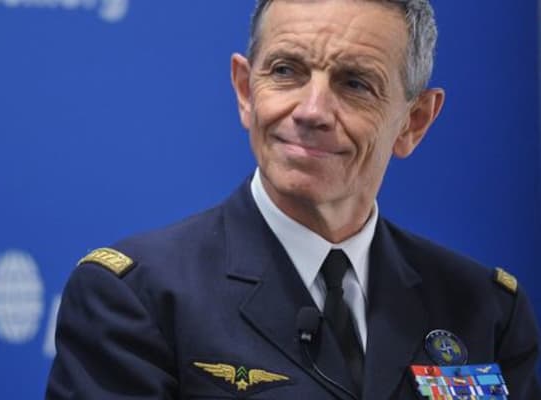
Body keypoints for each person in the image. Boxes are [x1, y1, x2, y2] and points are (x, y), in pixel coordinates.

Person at [46, 0, 541, 398]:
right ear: (246, 91)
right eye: (286, 71)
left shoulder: (484, 309)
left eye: (354, 83)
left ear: (414, 122)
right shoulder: (138, 298)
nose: (311, 111)